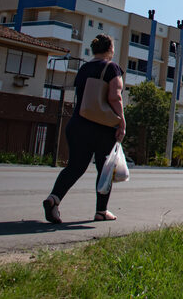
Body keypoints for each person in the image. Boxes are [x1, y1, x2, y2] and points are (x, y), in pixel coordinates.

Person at [43, 33, 126, 223]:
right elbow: (115, 97)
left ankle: (54, 199)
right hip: (102, 127)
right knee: (104, 169)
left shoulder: (83, 68)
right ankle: (101, 211)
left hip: (78, 124)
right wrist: (121, 121)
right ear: (110, 49)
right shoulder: (112, 67)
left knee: (75, 167)